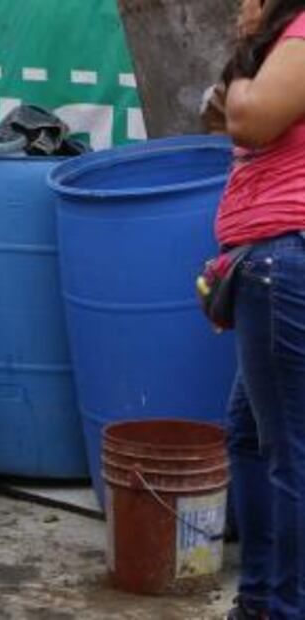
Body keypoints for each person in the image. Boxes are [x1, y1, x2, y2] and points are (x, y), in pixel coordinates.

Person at [217, 1, 305, 618]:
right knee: (249, 437)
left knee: (290, 451)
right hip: (264, 261)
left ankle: (284, 606)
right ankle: (259, 600)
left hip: (285, 261)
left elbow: (246, 118)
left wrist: (234, 78)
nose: (242, 5)